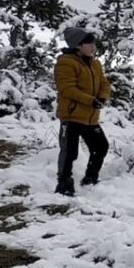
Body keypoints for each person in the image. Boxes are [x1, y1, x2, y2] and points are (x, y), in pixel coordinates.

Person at [54, 25, 111, 196]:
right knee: (69, 152)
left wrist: (102, 98)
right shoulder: (65, 63)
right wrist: (91, 101)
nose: (93, 47)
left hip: (90, 117)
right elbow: (67, 89)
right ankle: (64, 184)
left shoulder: (95, 64)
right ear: (78, 45)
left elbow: (104, 84)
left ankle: (90, 178)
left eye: (93, 44)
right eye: (89, 44)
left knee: (101, 147)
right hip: (71, 116)